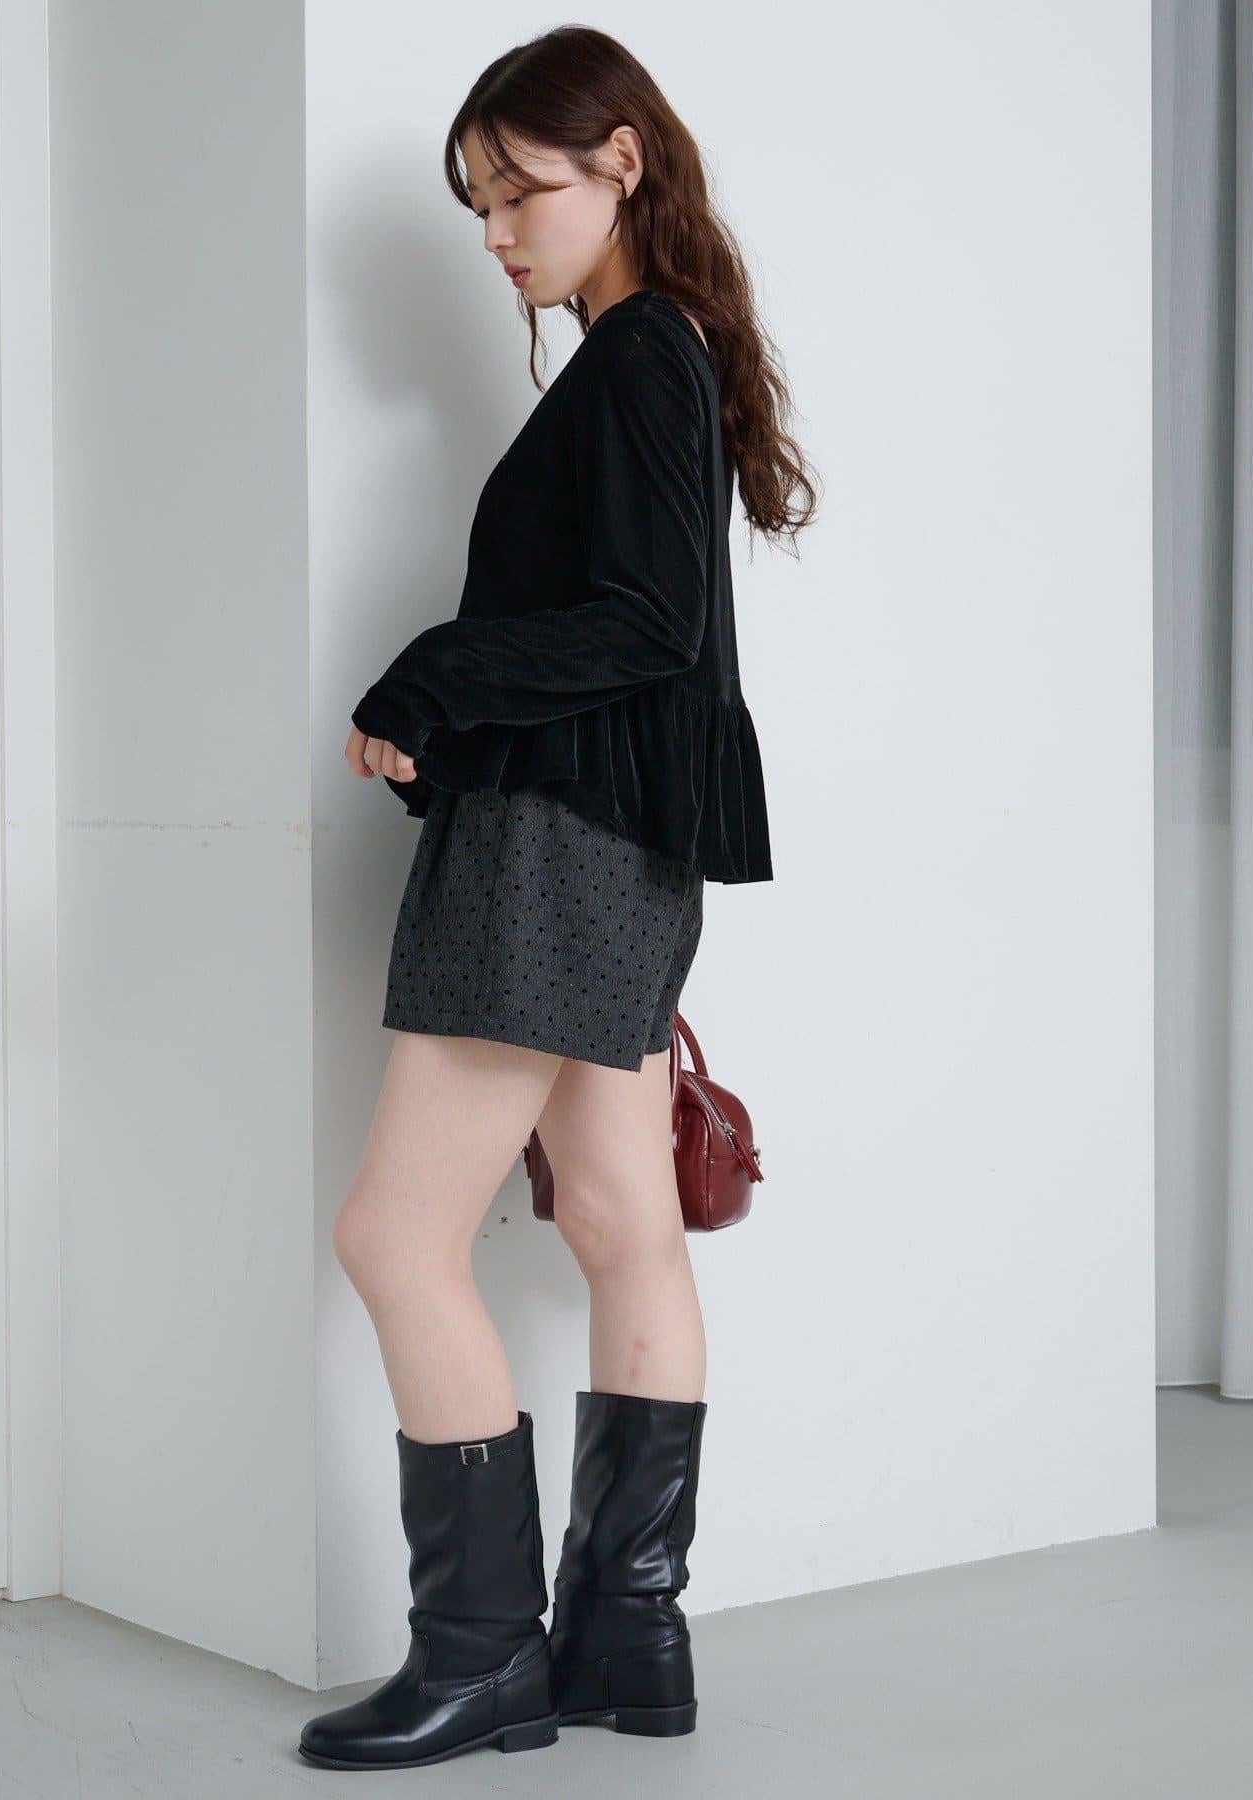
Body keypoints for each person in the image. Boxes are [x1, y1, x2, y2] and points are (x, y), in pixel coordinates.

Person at [299, 22, 818, 1775]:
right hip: (619, 853)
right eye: (477, 206)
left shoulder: (639, 358)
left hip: (555, 859)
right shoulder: (653, 357)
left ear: (624, 163)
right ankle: (625, 1642)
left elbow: (646, 627)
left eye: (520, 190)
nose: (498, 232)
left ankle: (480, 1661)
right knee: (616, 1221)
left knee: (395, 1237)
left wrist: (434, 675)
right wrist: (447, 727)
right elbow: (643, 645)